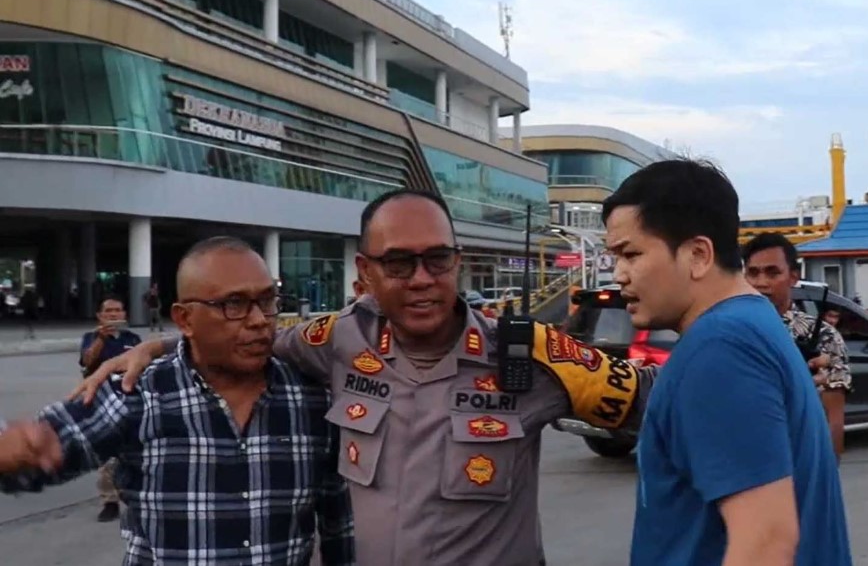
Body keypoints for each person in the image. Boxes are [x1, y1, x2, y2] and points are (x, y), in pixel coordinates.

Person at [74, 189, 649, 566]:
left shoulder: (535, 355)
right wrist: (159, 344)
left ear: (457, 260)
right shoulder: (335, 340)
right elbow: (242, 336)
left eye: (437, 260)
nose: (422, 278)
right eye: (399, 263)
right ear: (367, 273)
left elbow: (670, 408)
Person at [0, 237, 354, 566]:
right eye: (234, 304)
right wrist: (19, 452)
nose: (260, 320)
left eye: (267, 301)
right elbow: (49, 444)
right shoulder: (139, 393)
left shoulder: (311, 401)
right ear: (185, 319)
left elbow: (339, 524)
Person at [603, 159, 850, 565]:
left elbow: (766, 542)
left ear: (699, 254)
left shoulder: (720, 347)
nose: (619, 274)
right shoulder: (753, 324)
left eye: (630, 254)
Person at [742, 232, 851, 459]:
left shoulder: (823, 336)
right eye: (753, 273)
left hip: (799, 457)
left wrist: (825, 476)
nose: (761, 283)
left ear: (793, 277)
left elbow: (833, 419)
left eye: (773, 273)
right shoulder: (731, 330)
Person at [79, 295, 142, 522]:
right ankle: (109, 501)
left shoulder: (133, 339)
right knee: (106, 453)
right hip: (102, 404)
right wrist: (100, 340)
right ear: (100, 316)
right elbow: (87, 362)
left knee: (134, 451)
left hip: (130, 401)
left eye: (117, 310)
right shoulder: (91, 338)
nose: (113, 315)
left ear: (124, 314)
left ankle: (136, 496)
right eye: (108, 311)